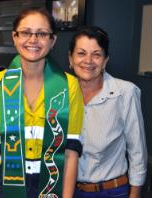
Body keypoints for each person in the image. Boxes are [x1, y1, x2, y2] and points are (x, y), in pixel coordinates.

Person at [0, 7, 84, 198]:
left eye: (42, 34)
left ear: (53, 40)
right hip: (7, 184)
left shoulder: (69, 86)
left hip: (51, 183)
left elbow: (70, 152)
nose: (33, 40)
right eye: (26, 32)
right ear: (14, 37)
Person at [68, 26, 147, 198]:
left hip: (113, 192)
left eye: (96, 54)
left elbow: (137, 153)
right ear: (70, 59)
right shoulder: (59, 95)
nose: (88, 60)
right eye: (81, 53)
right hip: (68, 191)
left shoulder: (125, 93)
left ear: (105, 61)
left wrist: (135, 195)